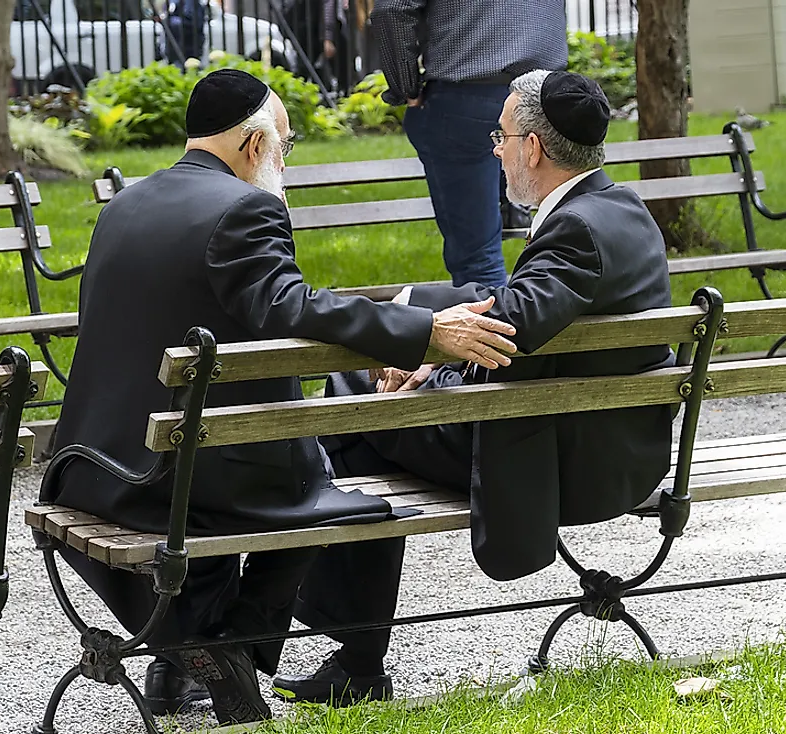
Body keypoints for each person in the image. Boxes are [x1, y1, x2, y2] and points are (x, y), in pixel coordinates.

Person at [47, 68, 518, 725]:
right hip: (184, 481)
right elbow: (287, 305)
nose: (283, 165)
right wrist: (424, 331)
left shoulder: (125, 205)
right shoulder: (247, 207)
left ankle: (184, 654)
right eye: (283, 149)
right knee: (342, 489)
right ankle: (220, 643)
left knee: (267, 464)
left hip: (93, 472)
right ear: (251, 146)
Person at [272, 70, 677, 705]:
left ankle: (352, 648)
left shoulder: (573, 233)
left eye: (502, 135)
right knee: (370, 394)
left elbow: (513, 328)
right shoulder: (622, 210)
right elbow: (526, 309)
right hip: (620, 446)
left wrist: (430, 355)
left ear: (534, 150)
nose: (496, 148)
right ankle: (352, 649)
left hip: (562, 464)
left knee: (352, 399)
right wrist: (435, 350)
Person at [370, 0, 568, 288]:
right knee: (567, 242)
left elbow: (392, 8)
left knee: (478, 260)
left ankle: (501, 328)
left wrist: (406, 89)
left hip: (469, 91)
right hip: (547, 93)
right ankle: (509, 201)